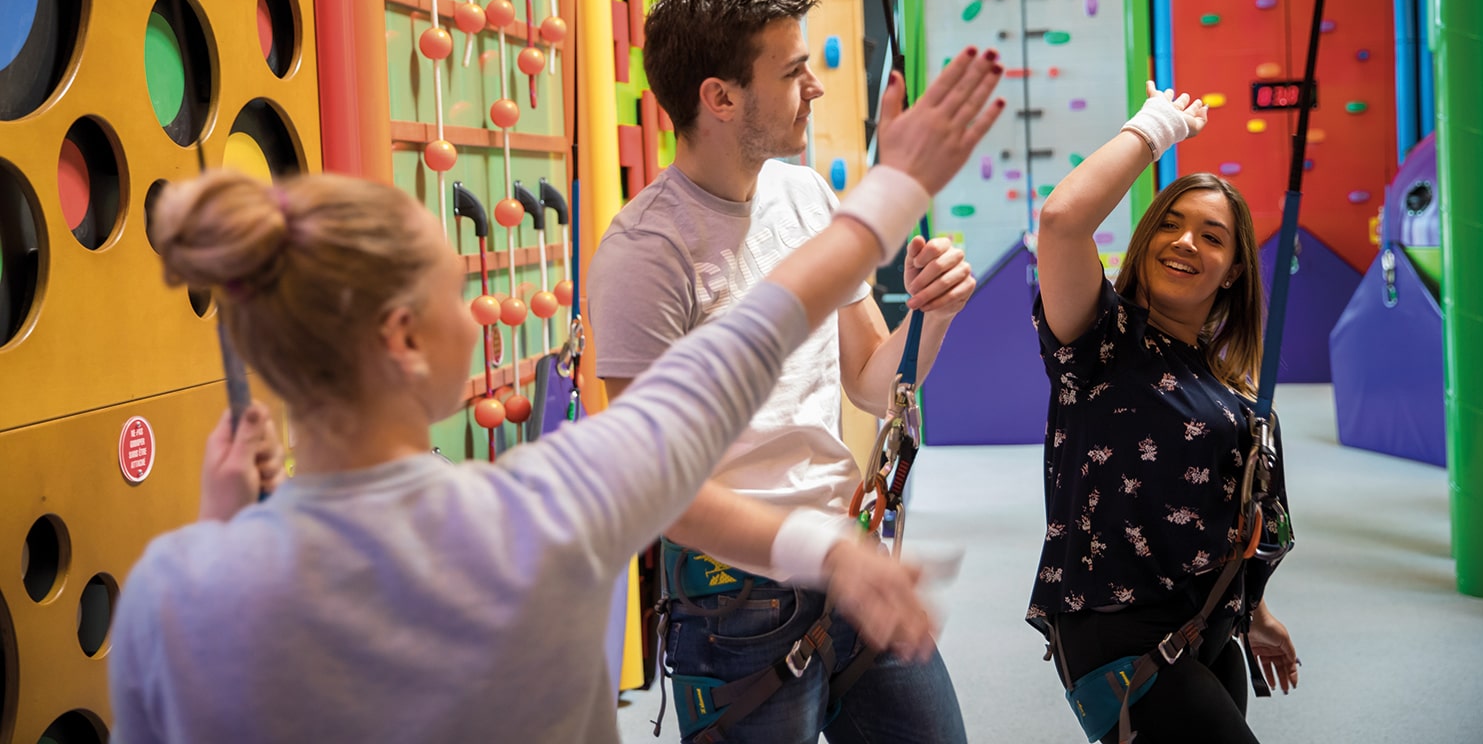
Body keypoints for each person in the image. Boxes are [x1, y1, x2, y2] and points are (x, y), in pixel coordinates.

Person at [105, 40, 1004, 744]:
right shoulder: (547, 512)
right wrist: (897, 188)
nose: (474, 313)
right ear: (404, 340)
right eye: (456, 291)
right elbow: (743, 345)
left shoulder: (172, 591)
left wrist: (222, 529)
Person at [587, 0, 994, 744]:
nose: (815, 87)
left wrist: (932, 316)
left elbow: (875, 383)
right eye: (791, 71)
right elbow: (657, 486)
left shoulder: (806, 197)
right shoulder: (647, 253)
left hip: (850, 559)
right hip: (737, 605)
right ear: (721, 97)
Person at [1028, 82, 1300, 743]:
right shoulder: (1101, 341)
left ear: (1233, 271)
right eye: (1170, 225)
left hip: (1208, 628)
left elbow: (1228, 511)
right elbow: (1064, 221)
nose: (1183, 243)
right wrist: (1158, 128)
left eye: (1211, 236)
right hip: (1119, 632)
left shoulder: (1231, 388)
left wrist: (1254, 609)